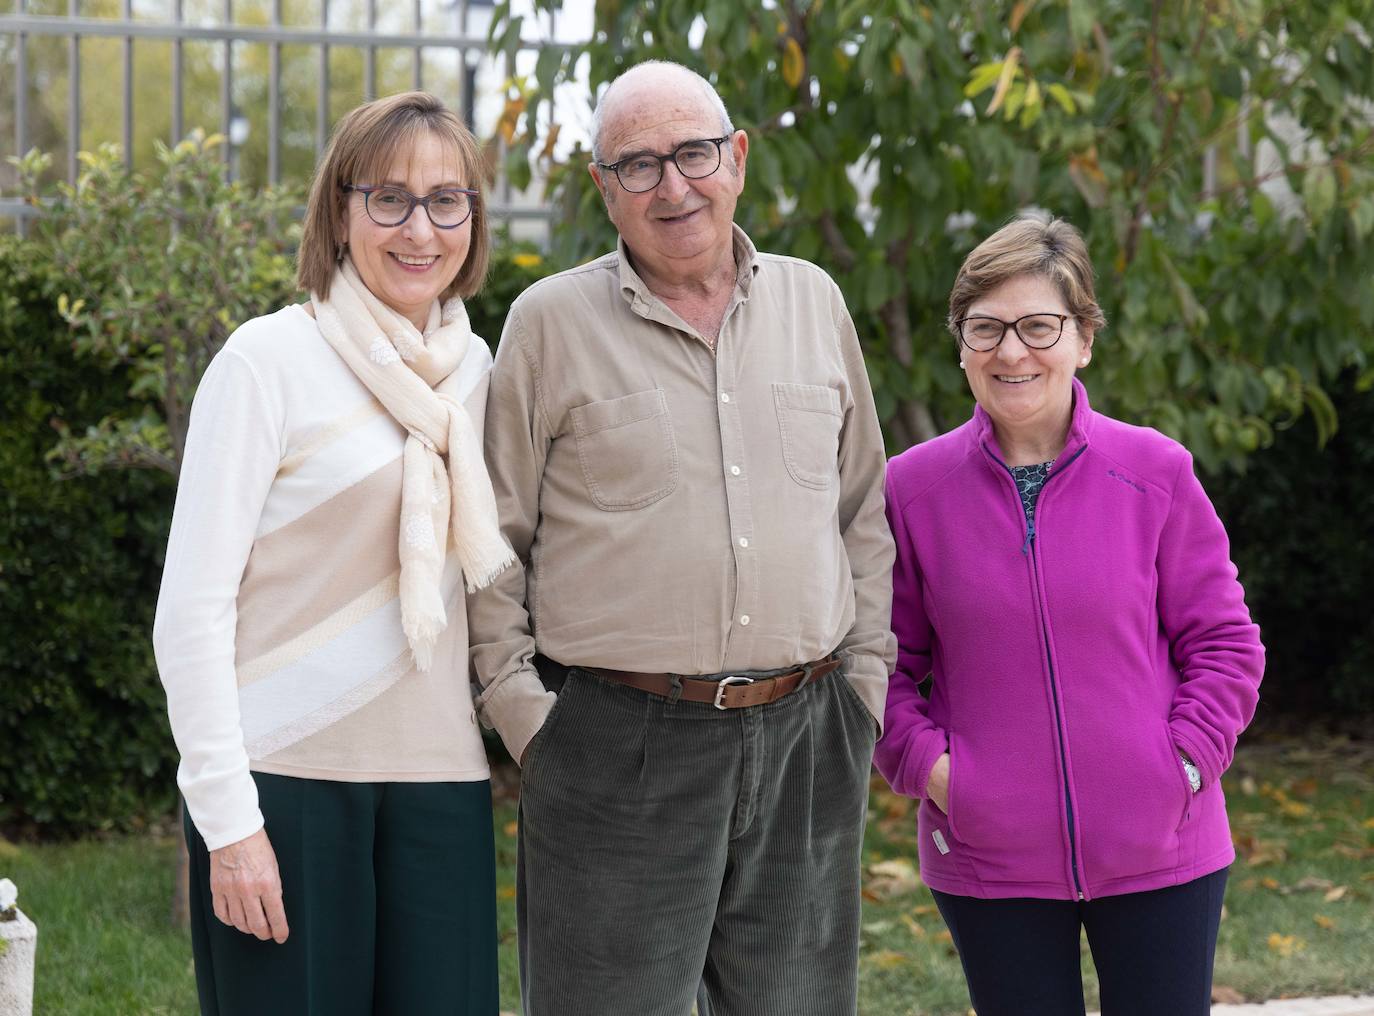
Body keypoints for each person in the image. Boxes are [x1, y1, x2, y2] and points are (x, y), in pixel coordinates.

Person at [467, 60, 895, 1016]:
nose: (673, 186)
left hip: (807, 736)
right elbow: (493, 539)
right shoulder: (549, 324)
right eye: (639, 164)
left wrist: (864, 685)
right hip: (615, 744)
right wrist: (528, 720)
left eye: (694, 153)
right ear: (603, 188)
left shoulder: (813, 302)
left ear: (736, 157)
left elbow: (862, 508)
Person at [153, 91, 511, 1016]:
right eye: (387, 198)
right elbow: (190, 612)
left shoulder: (480, 377)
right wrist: (229, 824)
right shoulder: (266, 361)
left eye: (447, 200)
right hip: (284, 789)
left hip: (442, 785)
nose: (419, 228)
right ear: (339, 212)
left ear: (473, 217)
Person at [875, 214, 1265, 1016]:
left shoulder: (1155, 470)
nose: (1011, 351)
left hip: (1165, 849)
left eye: (1038, 326)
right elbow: (879, 664)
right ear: (961, 344)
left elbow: (1224, 641)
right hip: (988, 858)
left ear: (1083, 337)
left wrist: (1184, 764)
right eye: (986, 328)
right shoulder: (912, 490)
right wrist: (938, 775)